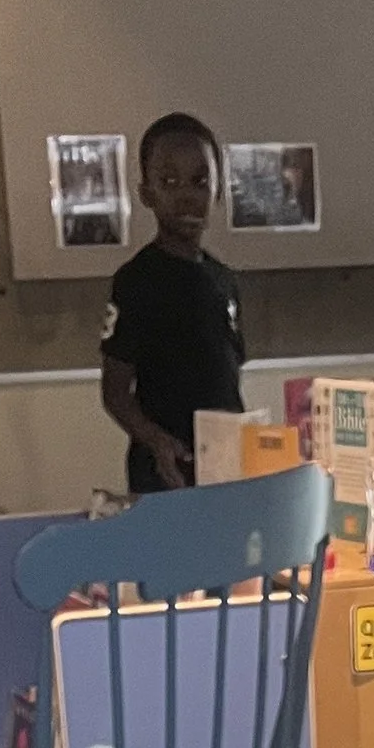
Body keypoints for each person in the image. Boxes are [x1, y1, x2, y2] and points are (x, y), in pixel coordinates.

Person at [99, 111, 244, 494]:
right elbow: (114, 392)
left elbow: (227, 380)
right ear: (147, 193)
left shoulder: (223, 280)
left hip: (224, 466)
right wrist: (157, 442)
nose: (186, 195)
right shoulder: (136, 281)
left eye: (199, 181)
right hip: (165, 472)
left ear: (218, 191)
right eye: (169, 181)